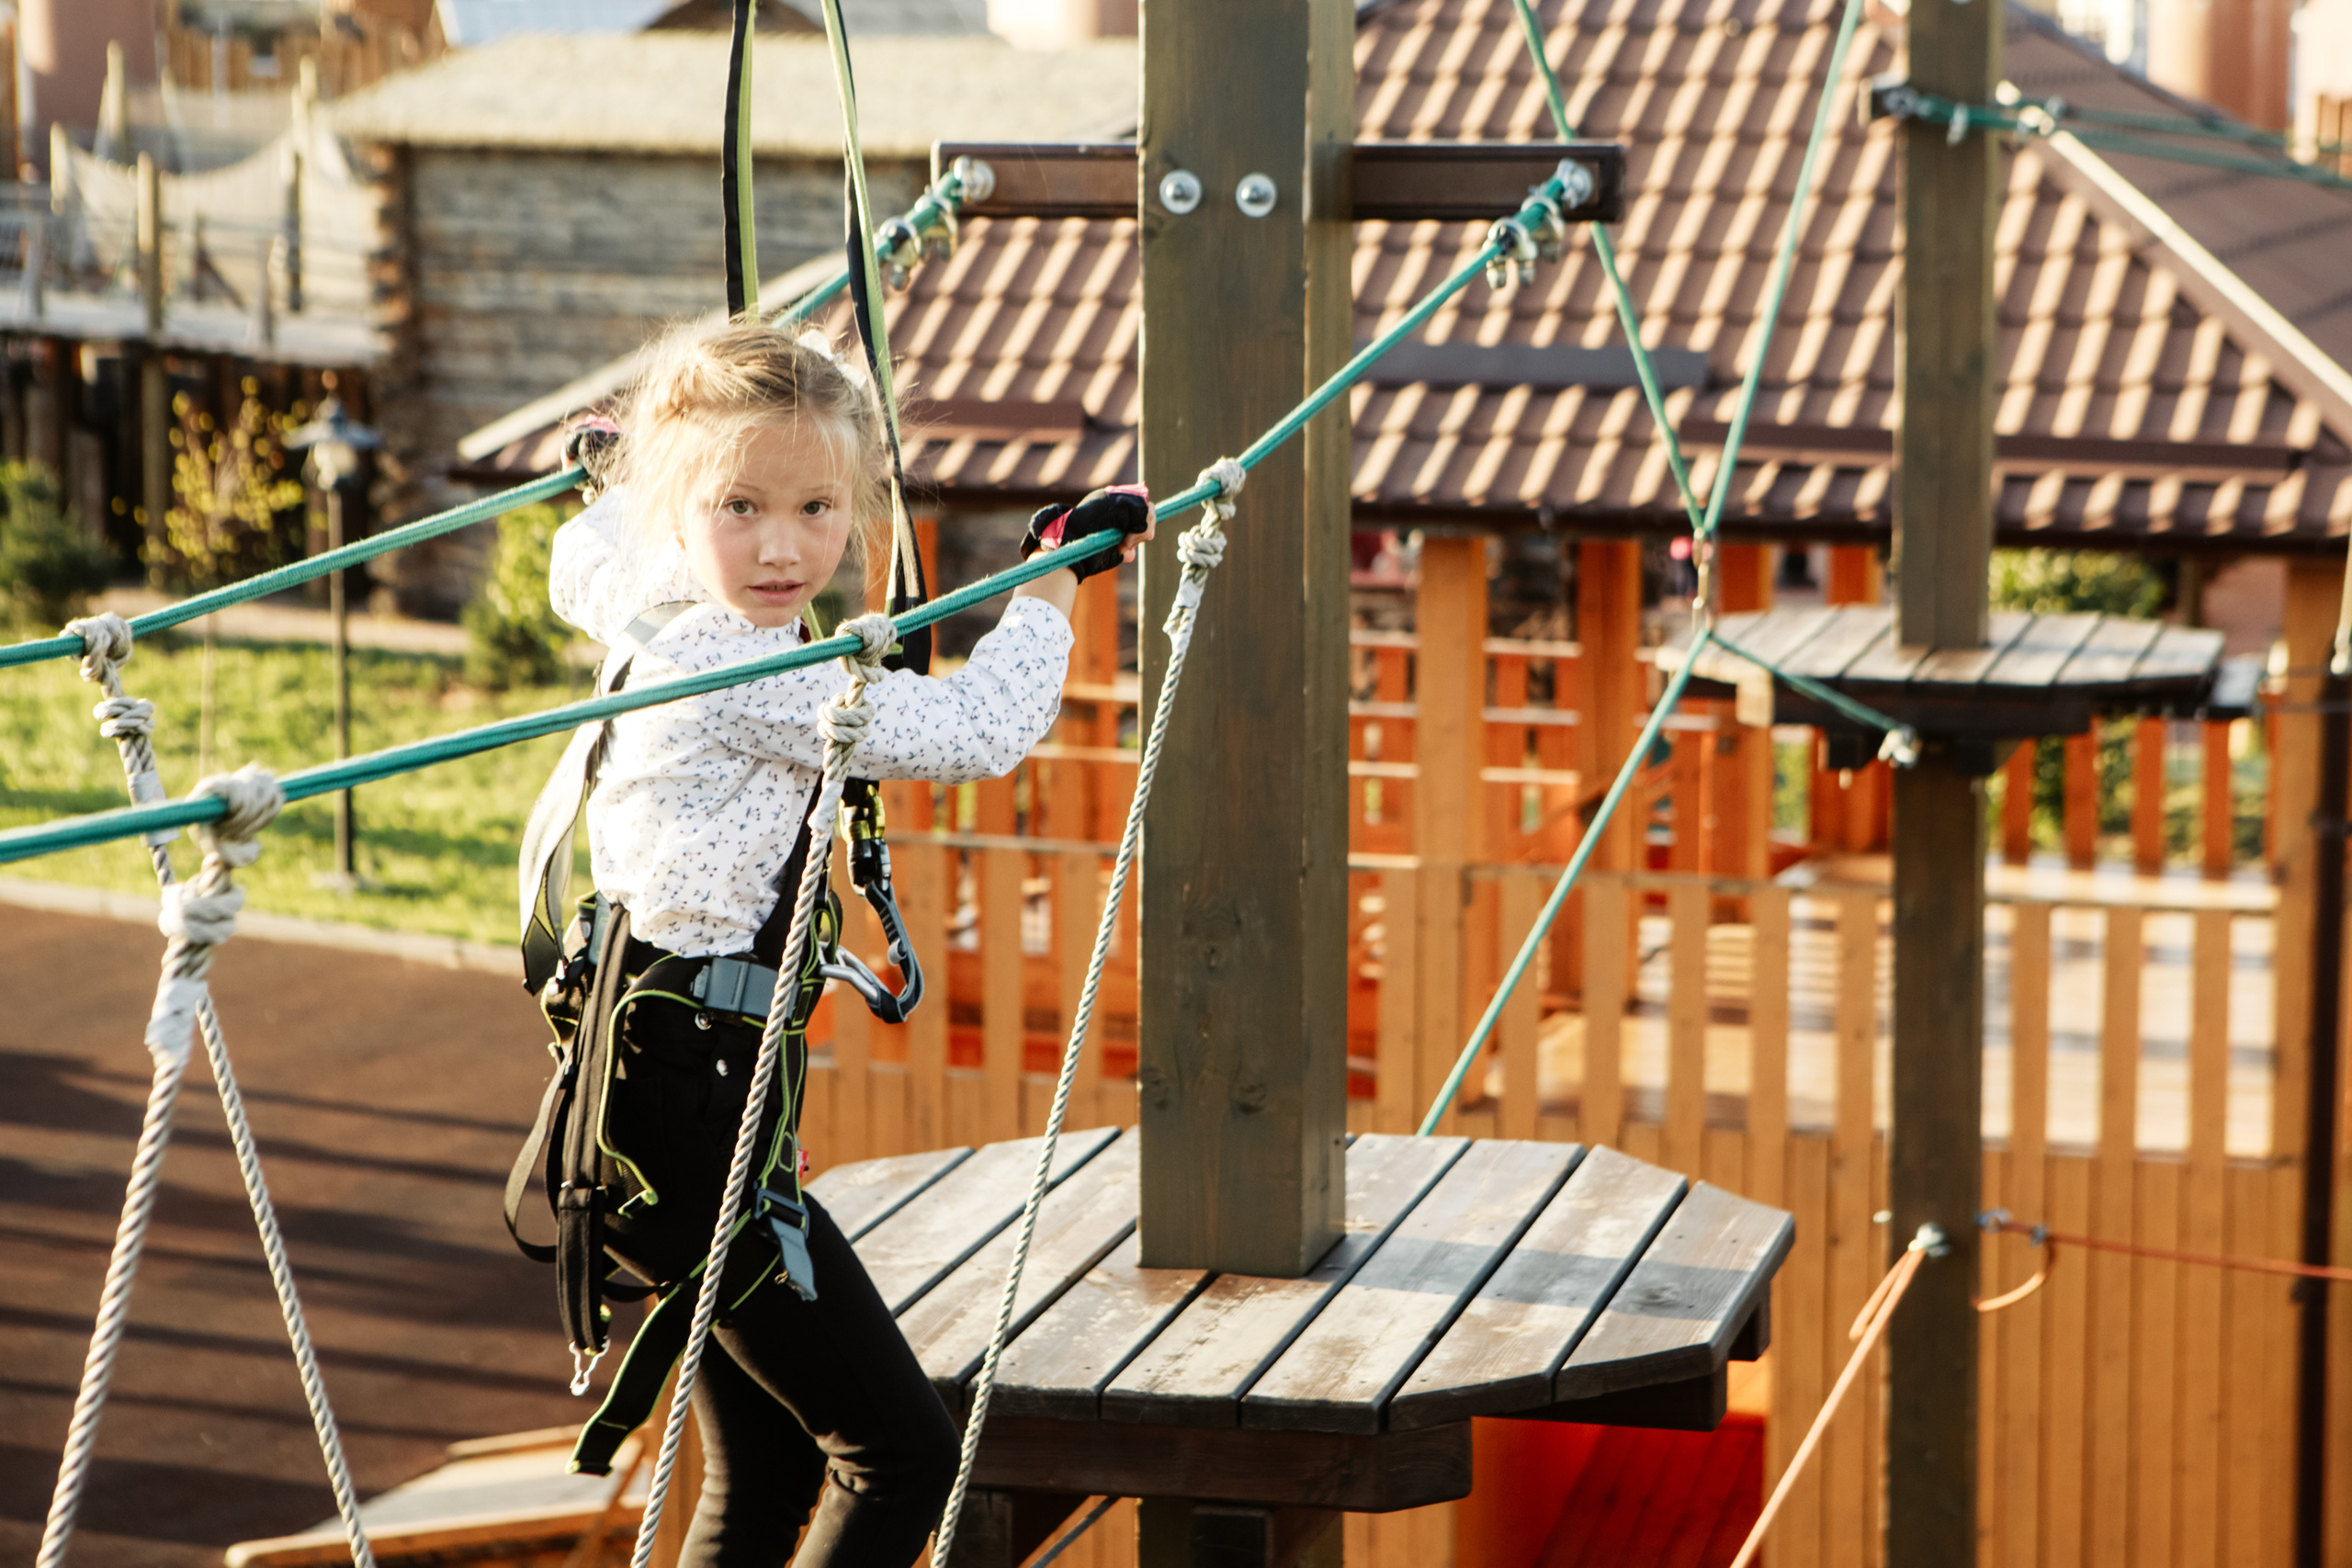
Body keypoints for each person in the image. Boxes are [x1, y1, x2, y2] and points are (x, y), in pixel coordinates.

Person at [541, 317, 1151, 1566]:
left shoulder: (645, 592)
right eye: (740, 506)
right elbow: (976, 729)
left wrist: (607, 475)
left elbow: (582, 554)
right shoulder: (739, 664)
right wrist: (1053, 576)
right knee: (902, 1458)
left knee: (767, 1468)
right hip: (688, 1120)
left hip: (655, 1102)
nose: (783, 547)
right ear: (675, 507)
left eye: (819, 507)